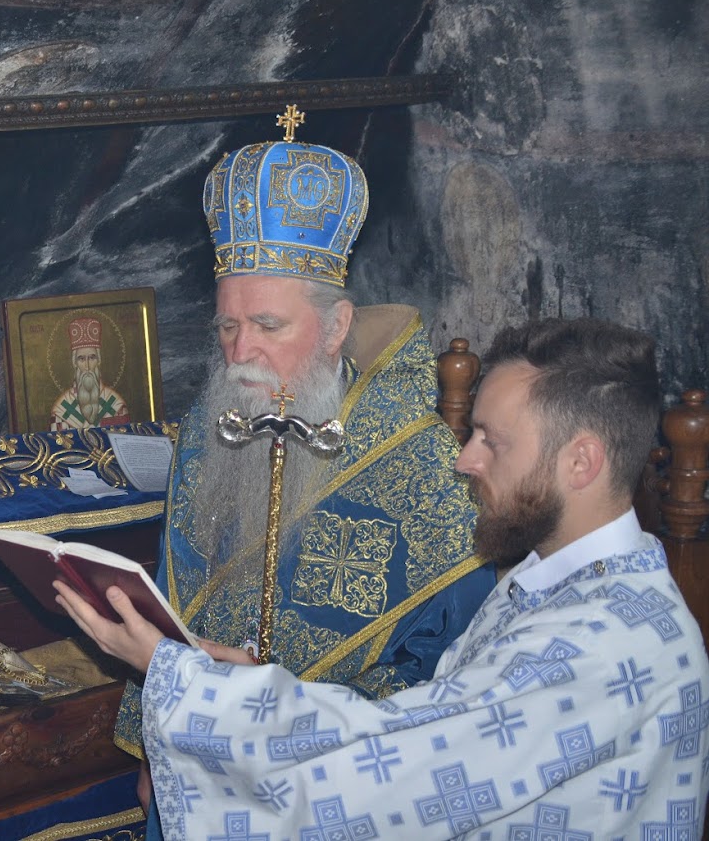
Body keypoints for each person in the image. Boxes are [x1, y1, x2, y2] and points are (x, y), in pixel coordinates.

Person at [61, 317, 709, 839]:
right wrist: (238, 684)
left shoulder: (605, 644)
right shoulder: (562, 584)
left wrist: (188, 684)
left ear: (581, 461)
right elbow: (435, 727)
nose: (465, 459)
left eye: (492, 440)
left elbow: (393, 769)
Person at [113, 111, 496, 828]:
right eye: (228, 326)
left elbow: (449, 668)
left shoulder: (418, 462)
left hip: (338, 784)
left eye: (268, 326)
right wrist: (154, 748)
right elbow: (178, 598)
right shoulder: (208, 429)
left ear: (336, 326)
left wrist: (291, 725)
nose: (240, 353)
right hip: (198, 753)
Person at [50, 316, 131, 430]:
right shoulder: (61, 410)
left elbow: (123, 438)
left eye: (92, 358)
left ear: (99, 361)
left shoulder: (116, 405)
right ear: (74, 363)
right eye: (81, 359)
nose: (87, 366)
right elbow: (57, 440)